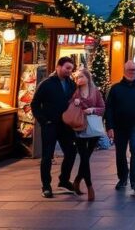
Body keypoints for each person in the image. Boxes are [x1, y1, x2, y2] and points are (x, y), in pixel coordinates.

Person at [31, 57, 78, 198]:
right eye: (67, 68)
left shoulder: (71, 84)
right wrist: (44, 121)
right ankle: (46, 185)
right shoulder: (46, 84)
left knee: (71, 152)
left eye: (71, 69)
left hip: (66, 126)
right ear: (58, 67)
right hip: (50, 125)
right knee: (47, 156)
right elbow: (35, 104)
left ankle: (64, 180)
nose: (69, 71)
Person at [105, 61, 135, 193]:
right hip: (119, 125)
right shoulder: (116, 88)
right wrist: (109, 126)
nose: (132, 72)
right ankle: (122, 177)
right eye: (130, 70)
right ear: (124, 71)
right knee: (120, 153)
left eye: (134, 70)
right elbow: (109, 108)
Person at [70, 66, 105, 202]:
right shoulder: (74, 92)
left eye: (81, 77)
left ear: (87, 78)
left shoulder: (95, 92)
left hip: (93, 129)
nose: (78, 79)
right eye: (77, 77)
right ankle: (90, 187)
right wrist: (76, 102)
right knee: (84, 157)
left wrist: (91, 110)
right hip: (79, 128)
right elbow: (70, 107)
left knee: (86, 157)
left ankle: (77, 180)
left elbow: (102, 108)